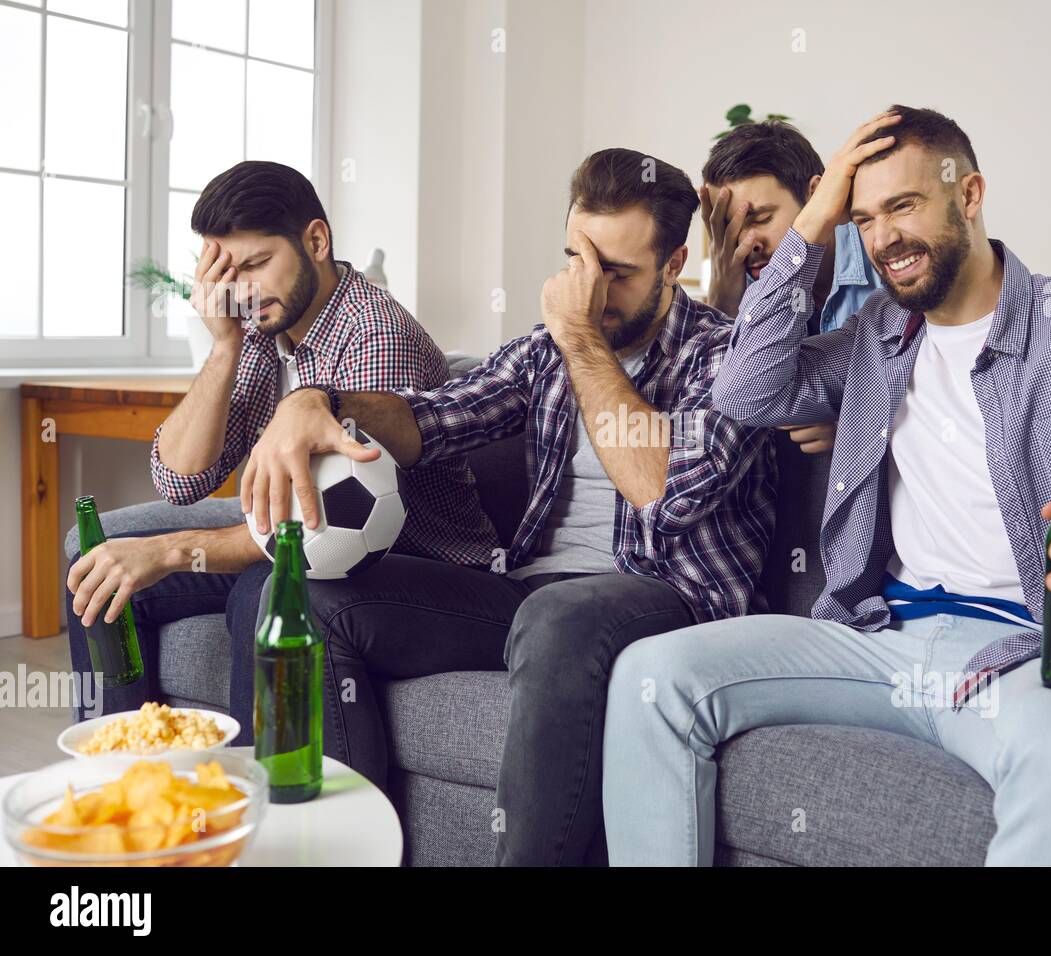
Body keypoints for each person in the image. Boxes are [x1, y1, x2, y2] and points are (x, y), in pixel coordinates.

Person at [600, 106, 1051, 866]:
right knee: (653, 677)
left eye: (904, 206)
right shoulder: (876, 334)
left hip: (1034, 652)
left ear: (969, 195)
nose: (885, 239)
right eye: (864, 218)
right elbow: (744, 391)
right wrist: (814, 219)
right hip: (878, 643)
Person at [237, 149, 778, 866]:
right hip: (529, 597)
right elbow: (432, 420)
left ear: (675, 263)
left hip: (670, 598)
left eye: (615, 273)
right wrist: (320, 400)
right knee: (298, 593)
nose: (591, 291)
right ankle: (340, 855)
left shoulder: (725, 357)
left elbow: (662, 489)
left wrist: (580, 337)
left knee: (558, 618)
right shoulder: (543, 353)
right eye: (576, 262)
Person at [65, 160, 498, 734]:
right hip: (306, 534)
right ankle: (131, 773)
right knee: (98, 558)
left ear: (315, 240)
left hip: (409, 560)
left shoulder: (375, 334)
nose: (242, 289)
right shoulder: (263, 331)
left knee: (263, 589)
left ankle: (255, 800)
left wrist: (170, 551)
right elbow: (180, 480)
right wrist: (222, 347)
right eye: (226, 272)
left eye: (256, 264)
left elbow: (317, 524)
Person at [701, 120, 881, 456]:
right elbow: (722, 415)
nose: (745, 242)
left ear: (816, 195)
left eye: (760, 218)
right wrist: (725, 300)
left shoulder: (884, 262)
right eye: (730, 226)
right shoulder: (747, 280)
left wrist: (858, 426)